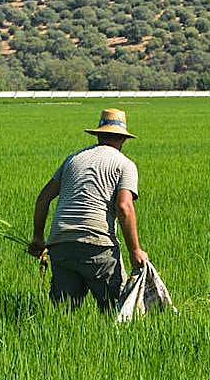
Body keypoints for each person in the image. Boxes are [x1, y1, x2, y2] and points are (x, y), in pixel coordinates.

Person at [27, 108, 148, 311]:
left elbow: (43, 198)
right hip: (98, 246)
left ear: (99, 134)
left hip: (61, 244)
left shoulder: (73, 159)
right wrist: (135, 250)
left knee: (63, 313)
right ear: (123, 139)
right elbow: (124, 206)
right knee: (115, 310)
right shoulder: (124, 164)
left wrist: (38, 238)